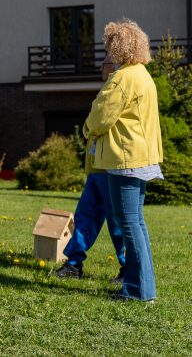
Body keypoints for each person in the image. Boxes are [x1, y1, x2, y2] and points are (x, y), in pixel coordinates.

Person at [83, 19, 163, 302]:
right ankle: (143, 287)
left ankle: (138, 291)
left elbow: (100, 119)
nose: (107, 52)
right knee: (135, 223)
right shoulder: (143, 74)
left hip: (124, 158)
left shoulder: (122, 77)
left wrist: (86, 129)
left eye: (109, 46)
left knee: (129, 223)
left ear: (118, 46)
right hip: (142, 157)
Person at [56, 57, 126, 281]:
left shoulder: (119, 85)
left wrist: (87, 128)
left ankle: (128, 268)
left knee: (117, 221)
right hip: (97, 165)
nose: (100, 67)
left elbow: (100, 121)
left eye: (104, 63)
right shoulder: (106, 87)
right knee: (85, 215)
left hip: (112, 164)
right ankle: (74, 263)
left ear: (114, 66)